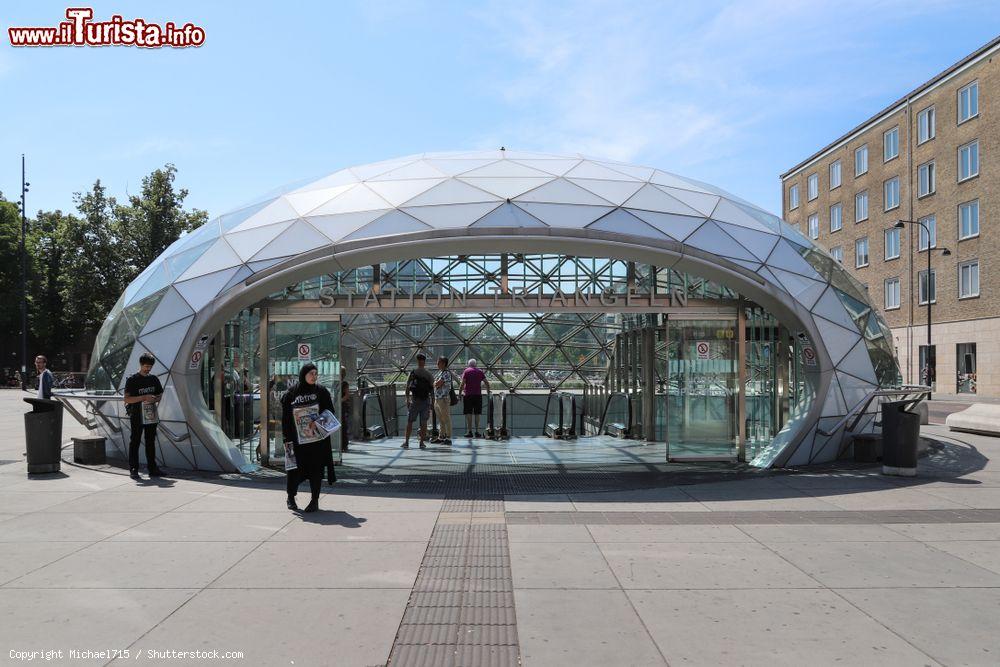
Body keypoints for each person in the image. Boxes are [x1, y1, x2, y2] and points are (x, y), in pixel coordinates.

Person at [281, 363, 335, 512]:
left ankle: (314, 501)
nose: (314, 376)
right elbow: (285, 419)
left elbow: (330, 413)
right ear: (303, 374)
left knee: (316, 470)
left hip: (316, 441)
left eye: (315, 374)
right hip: (296, 441)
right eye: (311, 373)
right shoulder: (291, 394)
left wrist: (316, 422)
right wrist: (286, 438)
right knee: (294, 470)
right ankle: (291, 497)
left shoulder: (321, 392)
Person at [123, 353, 164, 480]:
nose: (148, 369)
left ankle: (152, 468)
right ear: (141, 364)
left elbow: (160, 395)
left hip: (150, 413)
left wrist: (155, 399)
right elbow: (127, 399)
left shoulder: (154, 379)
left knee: (150, 441)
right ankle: (134, 469)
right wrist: (144, 397)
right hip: (136, 415)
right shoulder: (132, 379)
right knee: (135, 441)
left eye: (150, 366)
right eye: (146, 366)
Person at [402, 353, 434, 449]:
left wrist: (407, 399)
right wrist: (433, 401)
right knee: (424, 422)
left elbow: (408, 387)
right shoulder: (428, 374)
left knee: (410, 421)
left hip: (415, 400)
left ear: (417, 361)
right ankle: (421, 443)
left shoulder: (413, 373)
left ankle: (406, 442)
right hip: (425, 401)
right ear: (424, 362)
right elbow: (432, 389)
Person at [459, 358, 489, 438]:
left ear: (469, 364)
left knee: (468, 413)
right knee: (477, 413)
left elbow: (462, 384)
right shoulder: (480, 371)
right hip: (478, 395)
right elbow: (486, 383)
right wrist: (488, 392)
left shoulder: (466, 371)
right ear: (475, 364)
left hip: (468, 395)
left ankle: (469, 431)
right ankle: (477, 431)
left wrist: (459, 394)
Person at [431, 356, 454, 446]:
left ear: (444, 363)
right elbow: (434, 383)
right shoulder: (440, 373)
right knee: (441, 419)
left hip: (443, 398)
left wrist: (436, 383)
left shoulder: (446, 373)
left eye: (439, 362)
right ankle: (441, 436)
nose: (437, 364)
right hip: (438, 398)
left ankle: (448, 437)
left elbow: (437, 383)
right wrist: (436, 384)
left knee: (446, 418)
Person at [340, 367, 351, 453]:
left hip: (342, 406)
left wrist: (340, 401)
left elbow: (347, 395)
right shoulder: (338, 382)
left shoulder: (344, 384)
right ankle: (342, 444)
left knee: (343, 425)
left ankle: (344, 444)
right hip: (340, 405)